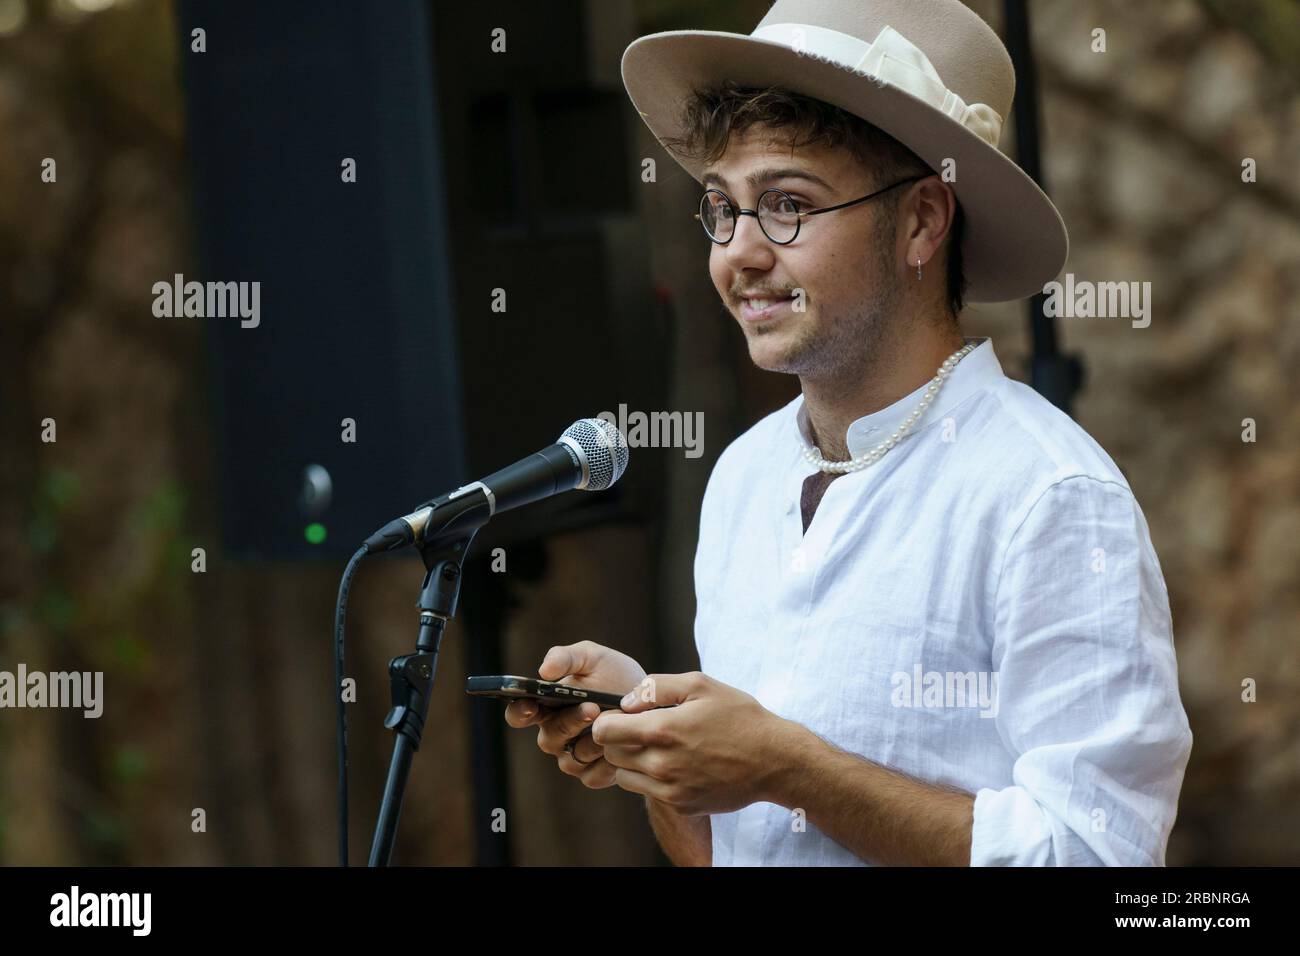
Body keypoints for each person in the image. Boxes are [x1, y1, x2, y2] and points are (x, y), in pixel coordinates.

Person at [506, 0, 1192, 866]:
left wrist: (789, 767)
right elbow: (734, 852)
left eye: (787, 204)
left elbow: (1102, 859)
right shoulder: (745, 477)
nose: (739, 253)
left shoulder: (1049, 496)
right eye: (722, 208)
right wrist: (652, 732)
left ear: (921, 223)